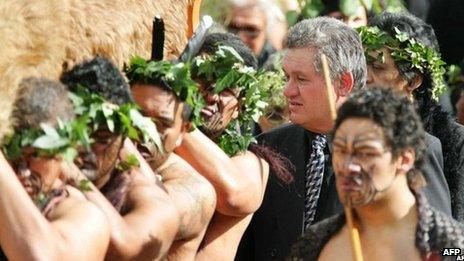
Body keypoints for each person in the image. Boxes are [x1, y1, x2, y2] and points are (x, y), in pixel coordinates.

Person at [236, 17, 451, 260]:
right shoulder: (268, 147)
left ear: (344, 83)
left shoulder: (407, 146)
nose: (288, 91)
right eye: (287, 77)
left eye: (301, 79)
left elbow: (446, 250)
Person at [288, 87, 464, 261]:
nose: (348, 166)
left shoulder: (451, 246)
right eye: (340, 150)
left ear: (404, 159)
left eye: (365, 152)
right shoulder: (317, 242)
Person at [60, 57, 180, 260]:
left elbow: (125, 249)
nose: (84, 146)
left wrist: (70, 172)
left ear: (124, 139)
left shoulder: (153, 202)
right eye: (75, 133)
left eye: (101, 137)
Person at [361, 12, 464, 221]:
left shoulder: (454, 141)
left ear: (413, 81)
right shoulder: (350, 131)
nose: (365, 76)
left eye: (378, 67)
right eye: (364, 64)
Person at [0, 77, 110, 260]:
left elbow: (39, 256)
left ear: (65, 152)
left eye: (34, 155)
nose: (22, 171)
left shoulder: (89, 219)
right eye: (10, 155)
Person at [127, 59, 217, 260]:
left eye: (161, 124)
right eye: (137, 116)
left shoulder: (195, 191)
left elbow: (138, 233)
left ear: (182, 132)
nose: (146, 131)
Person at [226, 0, 276, 67]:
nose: (240, 37)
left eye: (251, 30)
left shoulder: (281, 69)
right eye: (234, 28)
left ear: (266, 32)